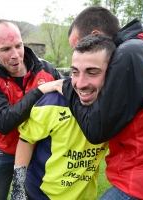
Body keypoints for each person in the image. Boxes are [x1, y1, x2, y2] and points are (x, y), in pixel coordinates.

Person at [59, 6, 143, 199]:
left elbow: (96, 128)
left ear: (96, 36)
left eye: (80, 46)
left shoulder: (129, 54)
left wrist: (65, 87)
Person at [10, 34, 116, 200]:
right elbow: (26, 140)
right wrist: (17, 185)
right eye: (74, 72)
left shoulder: (119, 108)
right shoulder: (52, 102)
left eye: (92, 72)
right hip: (41, 194)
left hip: (84, 196)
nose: (80, 83)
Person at [0, 19, 63, 200]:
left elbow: (70, 96)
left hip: (39, 150)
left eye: (19, 45)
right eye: (6, 49)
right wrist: (40, 91)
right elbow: (3, 122)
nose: (15, 54)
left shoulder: (45, 68)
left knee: (34, 196)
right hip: (5, 152)